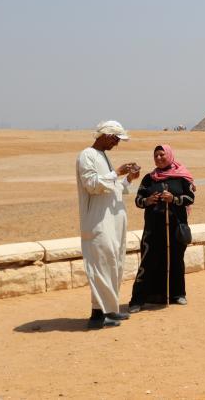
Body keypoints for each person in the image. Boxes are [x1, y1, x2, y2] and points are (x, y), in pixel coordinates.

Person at [76, 120, 140, 329]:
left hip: (112, 223)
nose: (117, 143)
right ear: (105, 135)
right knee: (101, 266)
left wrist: (128, 179)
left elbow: (112, 188)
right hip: (98, 222)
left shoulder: (103, 156)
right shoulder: (87, 155)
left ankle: (109, 310)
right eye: (115, 139)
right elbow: (92, 185)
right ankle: (97, 316)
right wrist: (117, 173)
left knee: (113, 264)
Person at [128, 145, 195, 312]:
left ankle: (178, 294)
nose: (158, 158)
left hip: (176, 228)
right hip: (153, 229)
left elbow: (190, 197)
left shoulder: (182, 178)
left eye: (161, 154)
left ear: (169, 155)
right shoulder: (149, 179)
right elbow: (138, 200)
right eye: (156, 155)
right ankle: (138, 300)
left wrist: (174, 199)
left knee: (176, 260)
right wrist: (147, 200)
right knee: (148, 261)